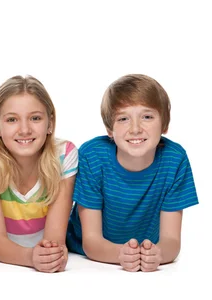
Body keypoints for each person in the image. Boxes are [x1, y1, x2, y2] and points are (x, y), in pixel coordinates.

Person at [66, 74, 199, 272]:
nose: (135, 129)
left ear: (164, 124)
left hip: (145, 251)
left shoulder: (175, 159)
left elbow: (171, 241)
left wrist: (159, 254)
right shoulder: (92, 156)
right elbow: (91, 242)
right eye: (123, 118)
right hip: (82, 253)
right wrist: (120, 254)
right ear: (110, 130)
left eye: (147, 117)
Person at [0, 75, 77, 273]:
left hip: (38, 246)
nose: (25, 129)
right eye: (12, 120)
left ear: (50, 123)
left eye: (35, 118)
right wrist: (31, 258)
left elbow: (54, 240)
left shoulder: (64, 154)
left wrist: (51, 255)